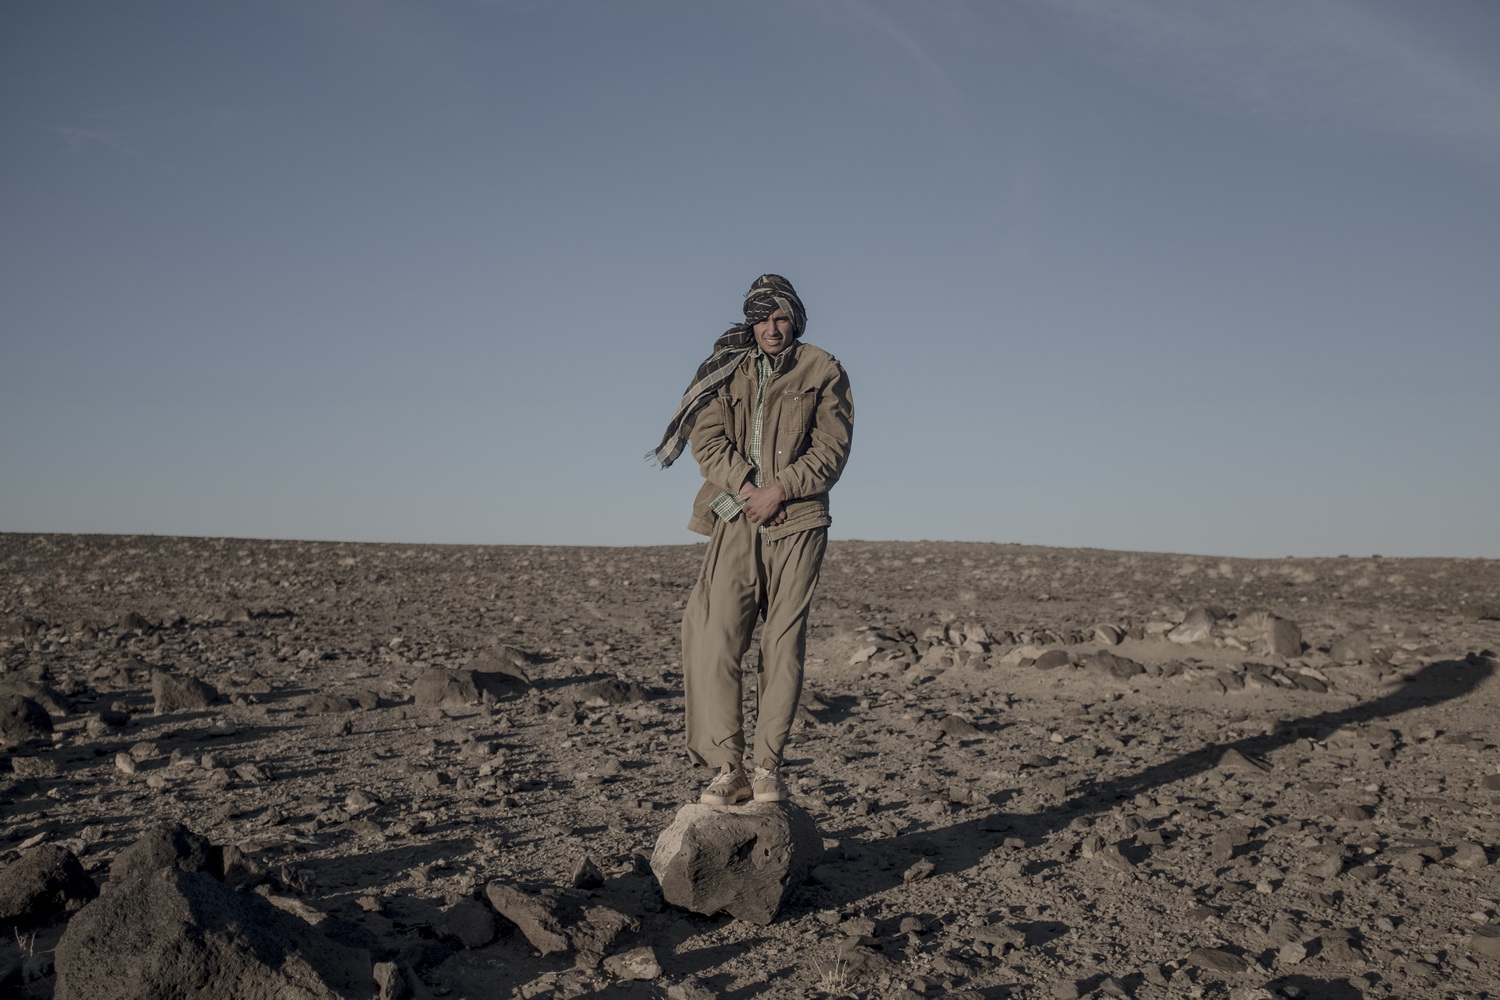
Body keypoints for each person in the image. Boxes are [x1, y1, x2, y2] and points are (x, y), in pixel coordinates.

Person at [648, 274, 854, 806]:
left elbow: (832, 449)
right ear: (750, 322)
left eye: (780, 317)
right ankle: (727, 767)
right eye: (761, 319)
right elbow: (707, 438)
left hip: (799, 519)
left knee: (781, 645)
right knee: (715, 637)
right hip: (736, 514)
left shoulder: (823, 369)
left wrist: (781, 489)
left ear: (795, 320)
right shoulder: (727, 368)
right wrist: (746, 488)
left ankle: (767, 768)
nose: (771, 328)